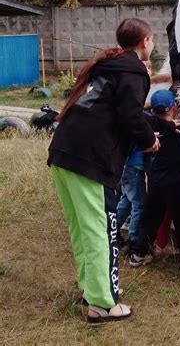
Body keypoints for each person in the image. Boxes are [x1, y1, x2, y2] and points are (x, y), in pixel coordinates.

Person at [48, 18, 160, 324]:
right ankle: (102, 304)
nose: (152, 45)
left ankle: (91, 288)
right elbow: (131, 116)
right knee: (102, 230)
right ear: (144, 42)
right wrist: (150, 142)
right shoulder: (134, 70)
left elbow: (118, 111)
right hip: (91, 159)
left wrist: (162, 125)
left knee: (83, 228)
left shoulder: (108, 66)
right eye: (151, 40)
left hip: (64, 151)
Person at [128, 90, 180, 270]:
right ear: (174, 107)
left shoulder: (149, 127)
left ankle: (139, 254)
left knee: (150, 218)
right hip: (176, 183)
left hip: (155, 181)